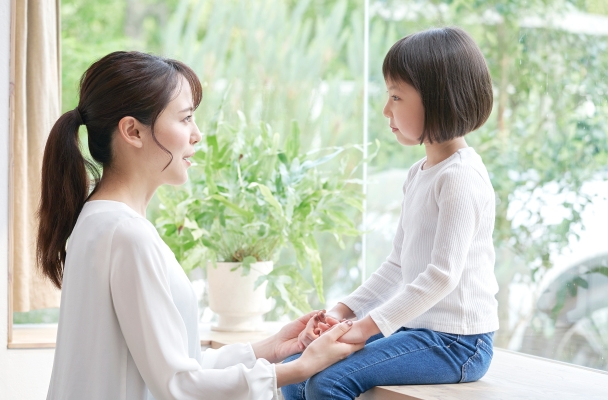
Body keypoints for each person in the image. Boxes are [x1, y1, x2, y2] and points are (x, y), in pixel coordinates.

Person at [37, 51, 363, 400]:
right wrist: (301, 368)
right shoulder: (126, 235)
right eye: (185, 119)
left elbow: (177, 365)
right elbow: (179, 385)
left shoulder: (98, 221)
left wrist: (273, 347)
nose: (197, 135)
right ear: (133, 131)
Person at [282, 27, 499, 400]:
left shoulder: (461, 177)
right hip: (418, 331)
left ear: (439, 100)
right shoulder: (419, 174)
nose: (386, 110)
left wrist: (366, 327)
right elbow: (397, 265)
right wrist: (342, 310)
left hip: (459, 343)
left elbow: (442, 276)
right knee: (296, 373)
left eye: (396, 97)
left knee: (326, 383)